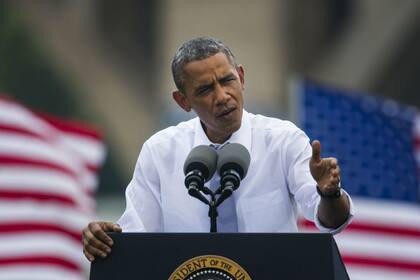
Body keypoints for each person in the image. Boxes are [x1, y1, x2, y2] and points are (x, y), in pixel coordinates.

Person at [82, 37, 354, 262]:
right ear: (183, 101)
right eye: (205, 90)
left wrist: (329, 194)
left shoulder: (283, 140)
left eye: (227, 80)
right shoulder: (160, 152)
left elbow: (331, 221)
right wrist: (105, 239)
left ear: (242, 77)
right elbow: (135, 236)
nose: (222, 96)